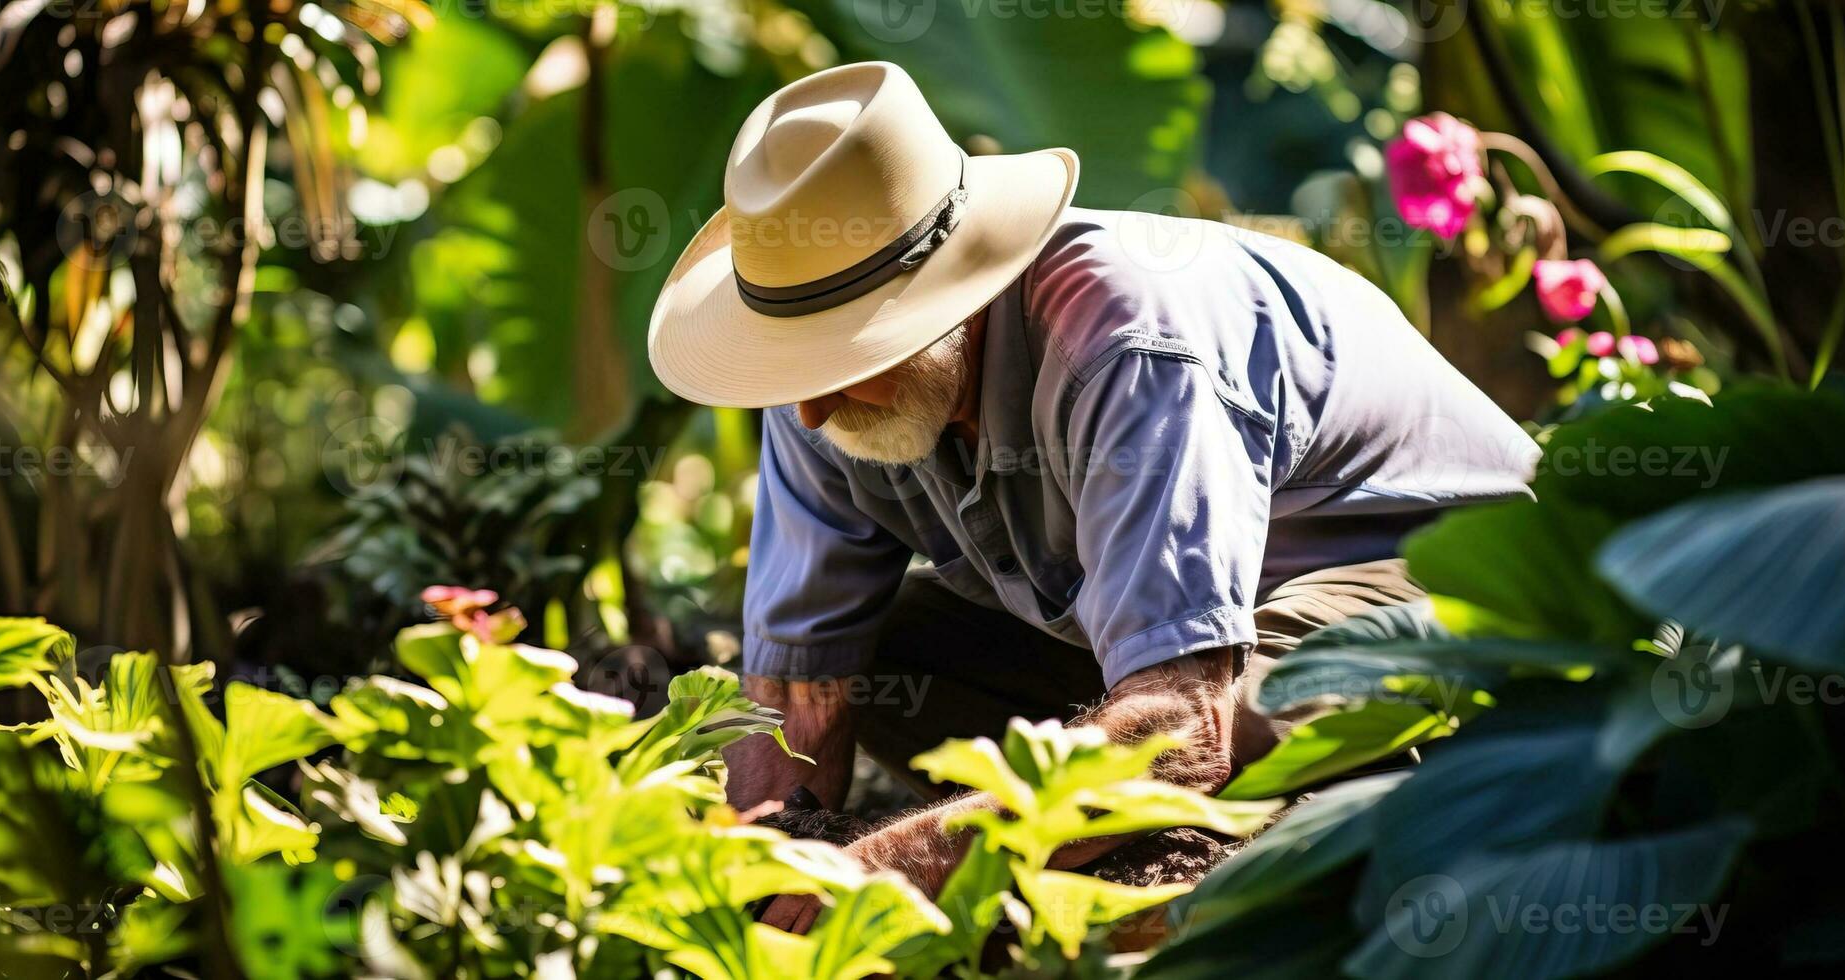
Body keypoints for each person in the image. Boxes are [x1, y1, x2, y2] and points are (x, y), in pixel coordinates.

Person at [645, 60, 1539, 926]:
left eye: (844, 356)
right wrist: (760, 872)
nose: (808, 408)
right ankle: (1096, 832)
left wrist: (896, 863)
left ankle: (1212, 871)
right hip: (1175, 650)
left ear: (949, 299)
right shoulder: (824, 400)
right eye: (795, 363)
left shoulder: (1125, 341)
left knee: (1197, 741)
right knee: (884, 656)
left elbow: (1184, 719)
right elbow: (801, 691)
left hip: (1449, 594)